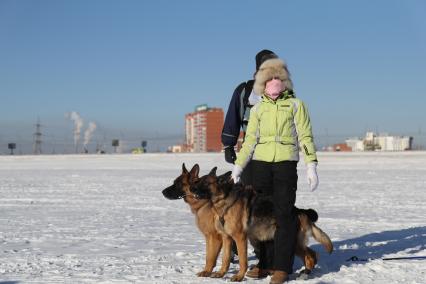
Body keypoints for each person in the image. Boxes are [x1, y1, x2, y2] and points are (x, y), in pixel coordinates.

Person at [231, 57, 319, 284]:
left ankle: (281, 267)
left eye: (277, 78)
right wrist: (238, 166)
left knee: (284, 215)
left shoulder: (296, 105)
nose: (273, 83)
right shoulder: (259, 108)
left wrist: (311, 165)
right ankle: (265, 263)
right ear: (262, 82)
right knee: (261, 216)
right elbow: (250, 139)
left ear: (285, 81)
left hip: (285, 165)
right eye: (269, 78)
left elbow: (305, 136)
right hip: (261, 165)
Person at [221, 49, 278, 185]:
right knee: (250, 193)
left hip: (277, 151)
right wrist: (229, 146)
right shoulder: (245, 90)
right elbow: (232, 118)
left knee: (276, 196)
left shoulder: (284, 91)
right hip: (251, 150)